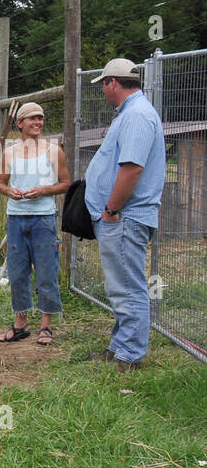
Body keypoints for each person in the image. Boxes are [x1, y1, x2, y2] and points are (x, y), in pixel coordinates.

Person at [84, 58, 166, 371]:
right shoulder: (132, 113)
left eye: (104, 85)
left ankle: (130, 355)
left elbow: (131, 169)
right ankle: (120, 346)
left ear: (112, 83)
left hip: (125, 217)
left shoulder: (137, 115)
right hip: (122, 217)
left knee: (129, 287)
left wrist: (111, 210)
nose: (104, 91)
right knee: (120, 286)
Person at [0, 102, 71, 346]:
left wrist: (44, 190)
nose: (38, 122)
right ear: (20, 124)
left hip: (43, 219)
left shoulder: (53, 151)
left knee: (46, 272)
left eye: (41, 118)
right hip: (16, 219)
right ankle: (21, 325)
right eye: (32, 119)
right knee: (17, 273)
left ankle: (46, 326)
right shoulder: (9, 153)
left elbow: (66, 183)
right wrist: (10, 192)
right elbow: (1, 184)